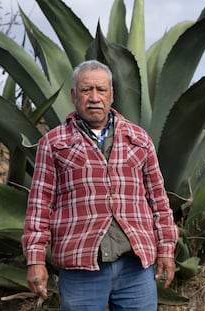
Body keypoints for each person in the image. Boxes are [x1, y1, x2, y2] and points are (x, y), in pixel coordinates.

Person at [22, 60, 179, 311]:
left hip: (135, 268)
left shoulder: (139, 140)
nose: (94, 97)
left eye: (101, 90)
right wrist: (35, 260)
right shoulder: (53, 143)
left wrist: (167, 250)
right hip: (81, 268)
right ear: (74, 95)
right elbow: (40, 205)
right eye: (86, 90)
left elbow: (159, 202)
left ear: (112, 95)